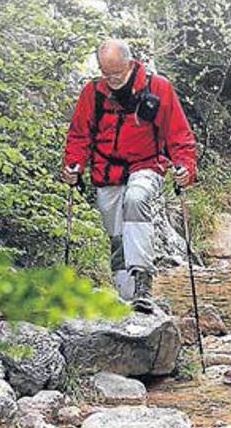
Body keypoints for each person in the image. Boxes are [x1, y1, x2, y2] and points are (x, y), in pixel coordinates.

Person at [62, 38, 197, 305]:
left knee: (136, 199)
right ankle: (127, 297)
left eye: (115, 73)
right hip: (106, 170)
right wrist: (73, 164)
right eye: (105, 72)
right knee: (116, 235)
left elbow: (179, 134)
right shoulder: (93, 92)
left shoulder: (157, 88)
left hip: (147, 164)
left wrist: (185, 168)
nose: (110, 78)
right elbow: (79, 135)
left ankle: (143, 283)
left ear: (129, 63)